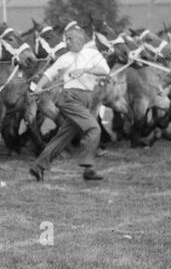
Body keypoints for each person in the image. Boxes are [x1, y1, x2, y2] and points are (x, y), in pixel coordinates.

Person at [28, 23, 110, 182]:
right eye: (66, 39)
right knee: (93, 128)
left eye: (70, 39)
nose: (67, 42)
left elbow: (105, 71)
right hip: (69, 99)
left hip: (86, 98)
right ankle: (89, 167)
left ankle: (38, 167)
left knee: (63, 136)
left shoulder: (93, 54)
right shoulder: (64, 58)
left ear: (81, 39)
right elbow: (49, 73)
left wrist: (85, 70)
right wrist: (38, 87)